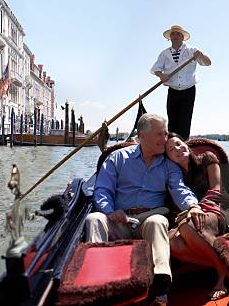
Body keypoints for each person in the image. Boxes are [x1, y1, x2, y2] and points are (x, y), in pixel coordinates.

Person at [84, 114, 202, 306]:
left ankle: (160, 288)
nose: (165, 139)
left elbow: (179, 189)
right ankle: (95, 283)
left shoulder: (168, 165)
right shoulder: (118, 158)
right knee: (94, 219)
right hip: (118, 221)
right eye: (160, 134)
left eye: (165, 134)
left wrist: (193, 206)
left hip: (148, 221)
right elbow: (102, 189)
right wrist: (110, 211)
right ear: (142, 136)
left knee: (158, 221)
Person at [165, 133, 229, 301]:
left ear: (185, 144)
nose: (177, 148)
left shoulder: (207, 158)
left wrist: (196, 209)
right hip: (194, 215)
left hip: (220, 209)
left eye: (178, 143)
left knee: (187, 226)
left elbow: (216, 189)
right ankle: (226, 266)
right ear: (167, 157)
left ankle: (221, 276)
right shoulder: (174, 176)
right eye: (170, 149)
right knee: (171, 243)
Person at [151, 25, 211, 140]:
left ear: (183, 37)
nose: (175, 36)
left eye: (178, 34)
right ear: (170, 37)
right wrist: (161, 75)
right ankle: (171, 144)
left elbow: (208, 63)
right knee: (172, 119)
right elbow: (156, 69)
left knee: (185, 120)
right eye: (173, 34)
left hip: (188, 89)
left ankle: (183, 143)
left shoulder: (192, 50)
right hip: (173, 90)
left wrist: (201, 55)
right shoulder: (164, 54)